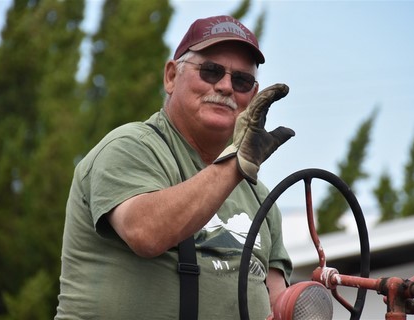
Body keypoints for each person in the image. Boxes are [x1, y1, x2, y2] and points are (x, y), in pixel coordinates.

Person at [55, 15, 295, 319]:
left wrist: (321, 297)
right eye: (210, 71)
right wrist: (238, 164)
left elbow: (278, 304)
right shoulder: (129, 148)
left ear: (253, 93)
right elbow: (145, 232)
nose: (225, 87)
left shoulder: (261, 197)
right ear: (171, 76)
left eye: (242, 81)